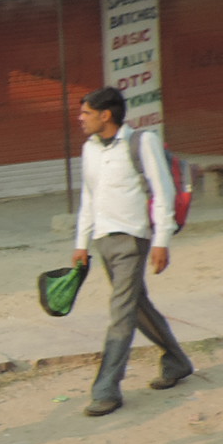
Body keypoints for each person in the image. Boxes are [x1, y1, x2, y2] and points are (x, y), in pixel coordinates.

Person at [72, 86, 195, 418]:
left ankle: (106, 389)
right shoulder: (90, 150)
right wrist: (81, 244)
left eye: (85, 113)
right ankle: (177, 361)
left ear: (105, 115)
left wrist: (162, 241)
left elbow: (163, 191)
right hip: (103, 240)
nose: (80, 118)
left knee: (121, 313)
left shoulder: (142, 142)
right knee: (135, 305)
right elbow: (89, 198)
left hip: (132, 240)